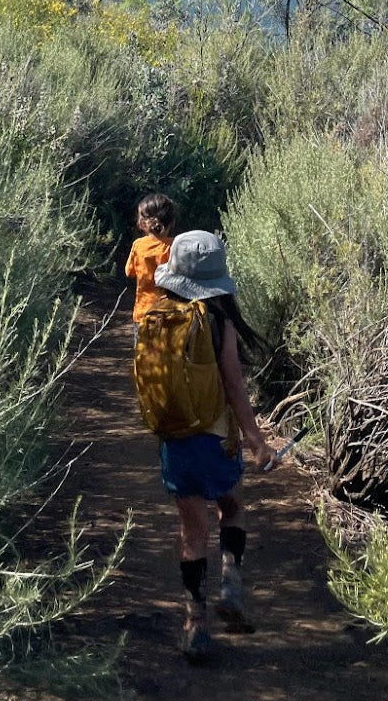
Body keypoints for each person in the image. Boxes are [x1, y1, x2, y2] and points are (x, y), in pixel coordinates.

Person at [151, 230, 275, 661]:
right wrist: (258, 443)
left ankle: (194, 623)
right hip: (217, 439)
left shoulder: (157, 315)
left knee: (191, 531)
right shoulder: (218, 320)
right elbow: (235, 388)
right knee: (233, 507)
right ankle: (231, 586)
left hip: (175, 437)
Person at [124, 193, 178, 329]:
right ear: (171, 222)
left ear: (142, 223)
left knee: (142, 349)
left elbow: (129, 272)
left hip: (143, 313)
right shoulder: (175, 246)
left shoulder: (138, 245)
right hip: (169, 313)